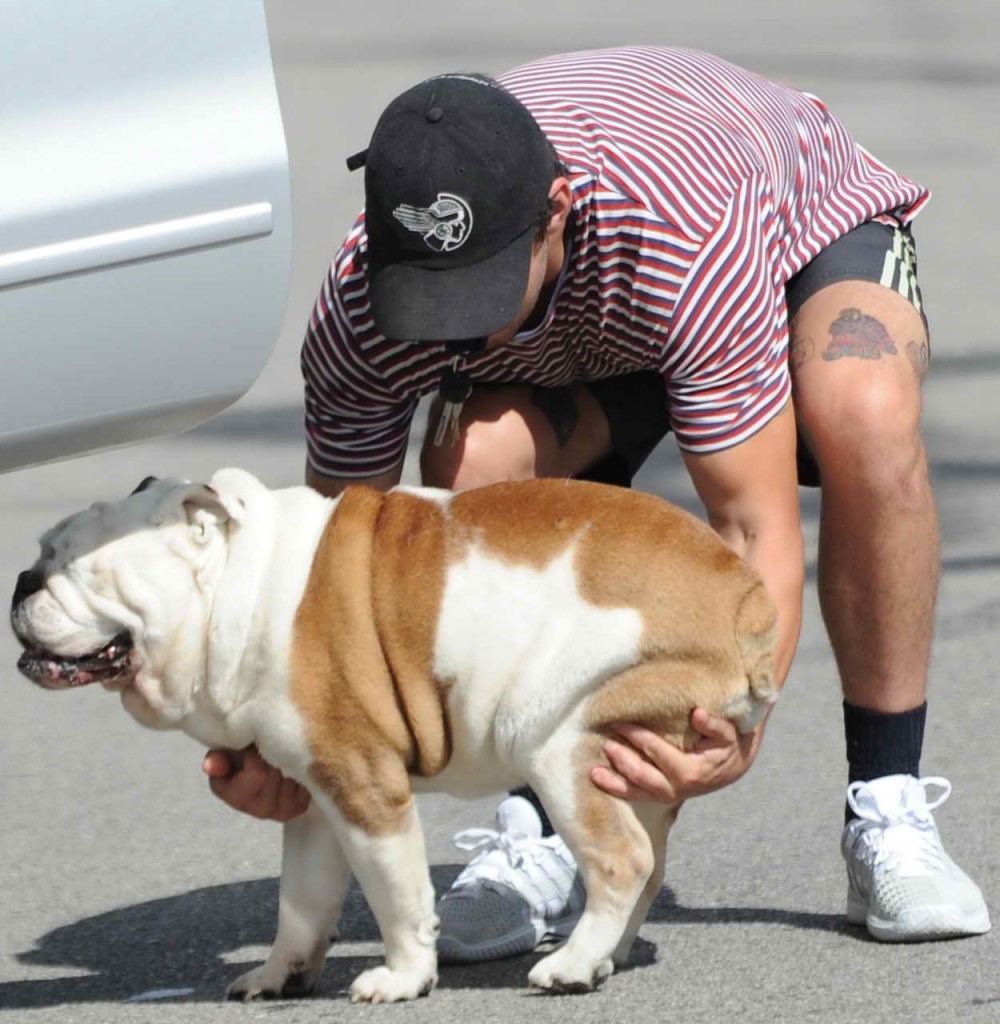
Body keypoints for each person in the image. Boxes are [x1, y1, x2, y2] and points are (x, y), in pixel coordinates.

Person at [202, 46, 989, 959]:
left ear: (557, 212)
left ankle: (886, 807)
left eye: (483, 289)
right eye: (431, 298)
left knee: (864, 412)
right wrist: (280, 741)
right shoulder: (359, 317)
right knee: (474, 457)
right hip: (600, 332)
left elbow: (750, 524)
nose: (458, 324)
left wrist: (734, 722)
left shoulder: (687, 234)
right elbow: (337, 575)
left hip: (784, 239)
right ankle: (539, 815)